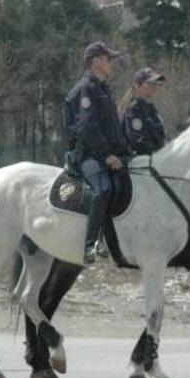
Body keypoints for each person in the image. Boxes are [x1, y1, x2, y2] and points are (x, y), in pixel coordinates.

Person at [62, 41, 131, 264]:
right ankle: (88, 245)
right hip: (88, 155)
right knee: (103, 189)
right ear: (96, 62)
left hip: (105, 153)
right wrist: (107, 156)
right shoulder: (86, 89)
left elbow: (111, 127)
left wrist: (124, 152)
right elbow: (86, 128)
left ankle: (111, 243)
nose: (110, 62)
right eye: (107, 58)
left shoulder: (102, 88)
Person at [118, 67, 167, 156]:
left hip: (156, 159)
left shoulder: (151, 109)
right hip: (140, 163)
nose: (154, 87)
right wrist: (161, 153)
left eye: (155, 84)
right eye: (149, 84)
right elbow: (137, 142)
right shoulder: (133, 110)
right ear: (137, 86)